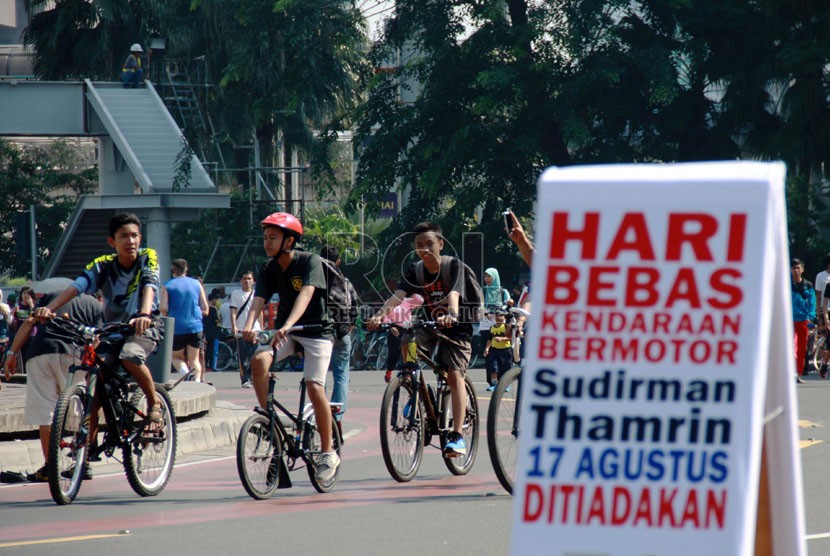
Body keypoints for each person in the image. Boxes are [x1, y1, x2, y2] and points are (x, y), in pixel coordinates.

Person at [33, 212, 166, 433]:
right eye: (123, 236)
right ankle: (86, 448)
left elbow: (150, 285)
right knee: (94, 377)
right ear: (112, 242)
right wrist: (49, 309)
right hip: (113, 330)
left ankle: (154, 403)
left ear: (140, 238)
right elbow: (76, 287)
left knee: (130, 355)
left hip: (145, 326)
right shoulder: (102, 265)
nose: (130, 241)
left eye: (134, 236)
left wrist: (144, 315)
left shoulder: (148, 257)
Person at [241, 212, 339, 483]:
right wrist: (249, 325)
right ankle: (268, 423)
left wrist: (287, 324)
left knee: (313, 386)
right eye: (265, 238)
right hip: (286, 332)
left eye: (273, 237)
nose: (267, 243)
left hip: (317, 331)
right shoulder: (269, 268)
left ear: (289, 241)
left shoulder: (311, 261)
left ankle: (328, 453)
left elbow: (306, 295)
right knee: (259, 362)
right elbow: (258, 300)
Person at [368, 221, 473, 457]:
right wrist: (379, 316)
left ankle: (456, 436)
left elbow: (454, 292)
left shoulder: (454, 266)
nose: (424, 249)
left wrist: (453, 314)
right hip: (429, 325)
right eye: (418, 245)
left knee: (455, 376)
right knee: (407, 339)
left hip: (457, 328)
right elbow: (398, 296)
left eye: (429, 243)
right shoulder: (415, 270)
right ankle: (412, 385)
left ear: (441, 244)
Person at [4, 282, 104, 482]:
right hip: (74, 354)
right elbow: (98, 338)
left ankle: (51, 466)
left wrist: (12, 354)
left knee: (45, 411)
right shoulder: (95, 304)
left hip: (41, 352)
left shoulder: (52, 297)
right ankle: (82, 463)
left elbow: (29, 323)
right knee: (79, 409)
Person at [320, 245, 359, 430]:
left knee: (319, 377)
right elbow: (355, 308)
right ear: (338, 262)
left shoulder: (315, 281)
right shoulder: (345, 282)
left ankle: (319, 412)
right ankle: (337, 416)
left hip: (319, 334)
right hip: (342, 334)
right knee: (341, 376)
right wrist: (348, 327)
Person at [159, 259, 209, 383]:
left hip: (176, 327)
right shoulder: (197, 284)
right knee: (195, 359)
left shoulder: (167, 286)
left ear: (172, 270)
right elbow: (205, 308)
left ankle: (186, 374)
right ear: (186, 269)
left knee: (176, 357)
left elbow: (163, 308)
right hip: (195, 326)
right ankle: (197, 381)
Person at [383, 293, 423, 382]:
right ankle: (389, 371)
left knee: (410, 350)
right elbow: (385, 317)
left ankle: (408, 372)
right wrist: (390, 327)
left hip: (407, 329)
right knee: (394, 353)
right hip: (394, 329)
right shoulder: (389, 302)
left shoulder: (407, 301)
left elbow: (420, 301)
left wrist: (414, 292)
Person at [230, 271, 260, 388]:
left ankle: (254, 378)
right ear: (241, 281)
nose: (247, 281)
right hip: (241, 329)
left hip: (255, 329)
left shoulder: (257, 294)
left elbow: (260, 311)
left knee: (255, 355)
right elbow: (233, 311)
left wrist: (261, 327)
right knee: (242, 355)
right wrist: (234, 326)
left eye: (249, 279)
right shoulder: (236, 294)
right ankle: (245, 379)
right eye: (245, 278)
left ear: (253, 281)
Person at [479, 267, 511, 368]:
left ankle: (504, 377)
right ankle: (491, 379)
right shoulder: (483, 291)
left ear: (495, 277)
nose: (486, 278)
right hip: (486, 323)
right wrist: (486, 313)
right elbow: (480, 305)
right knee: (487, 348)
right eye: (485, 276)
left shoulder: (503, 291)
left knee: (502, 348)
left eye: (489, 276)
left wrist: (500, 312)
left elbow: (508, 305)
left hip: (500, 323)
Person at [791, 258, 815, 384]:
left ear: (802, 269)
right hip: (789, 321)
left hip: (803, 321)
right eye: (793, 268)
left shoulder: (808, 285)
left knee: (802, 349)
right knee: (792, 347)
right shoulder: (785, 284)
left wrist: (811, 317)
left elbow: (812, 303)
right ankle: (790, 372)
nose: (796, 270)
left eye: (798, 268)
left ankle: (798, 374)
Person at [484, 307, 513, 390]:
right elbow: (490, 339)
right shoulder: (492, 327)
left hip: (505, 350)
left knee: (506, 369)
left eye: (500, 315)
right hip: (494, 350)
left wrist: (502, 339)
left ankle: (506, 385)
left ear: (504, 317)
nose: (498, 317)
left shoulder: (506, 327)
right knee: (493, 368)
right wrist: (487, 348)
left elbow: (511, 337)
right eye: (497, 315)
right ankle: (494, 384)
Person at [203, 292, 222, 372]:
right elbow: (217, 320)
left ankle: (205, 366)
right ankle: (213, 366)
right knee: (214, 351)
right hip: (214, 332)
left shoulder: (204, 308)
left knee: (205, 350)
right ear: (213, 299)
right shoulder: (214, 308)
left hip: (205, 331)